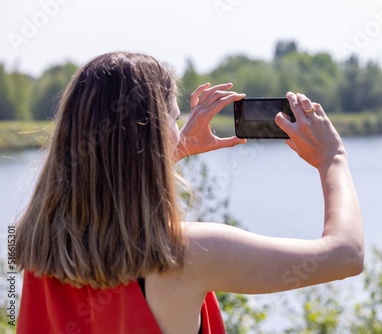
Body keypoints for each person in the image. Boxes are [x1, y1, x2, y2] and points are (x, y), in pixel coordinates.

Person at [15, 51, 364, 334]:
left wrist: (172, 150)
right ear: (153, 135)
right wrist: (332, 158)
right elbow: (346, 255)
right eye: (175, 118)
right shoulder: (184, 254)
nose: (178, 128)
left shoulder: (36, 239)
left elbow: (103, 181)